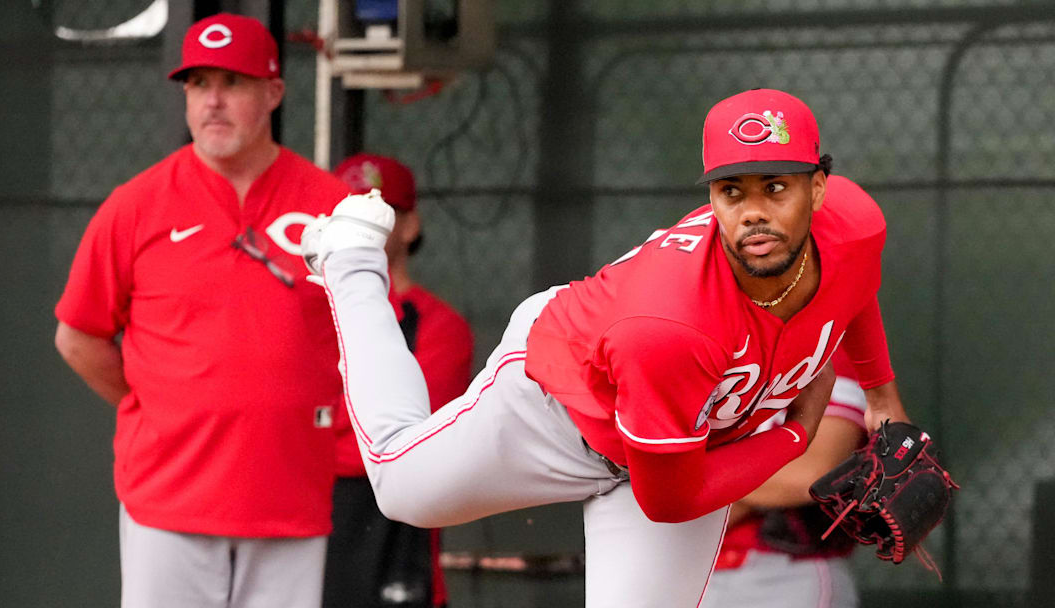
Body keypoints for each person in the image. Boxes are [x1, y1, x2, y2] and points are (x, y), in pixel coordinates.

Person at [299, 88, 911, 607]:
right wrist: (796, 435)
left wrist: (883, 396)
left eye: (776, 187)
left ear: (821, 189)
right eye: (732, 190)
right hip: (560, 406)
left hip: (678, 441)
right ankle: (351, 259)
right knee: (403, 491)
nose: (754, 212)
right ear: (711, 197)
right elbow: (668, 499)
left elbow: (856, 287)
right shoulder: (671, 325)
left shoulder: (854, 226)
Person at [53, 13, 351, 608]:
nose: (212, 101)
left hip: (287, 494)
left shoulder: (332, 206)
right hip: (168, 498)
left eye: (232, 82)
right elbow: (77, 337)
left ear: (273, 93)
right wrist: (160, 402)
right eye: (197, 84)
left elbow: (368, 339)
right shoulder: (133, 206)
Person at [322, 154, 473, 608]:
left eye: (378, 211)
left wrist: (311, 433)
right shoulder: (306, 315)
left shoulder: (440, 326)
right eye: (348, 212)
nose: (363, 225)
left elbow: (407, 445)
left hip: (395, 554)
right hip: (299, 543)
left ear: (409, 226)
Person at [702, 350, 868, 608]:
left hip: (782, 572)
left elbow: (811, 473)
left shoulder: (826, 351)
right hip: (683, 570)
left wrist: (697, 482)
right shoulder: (694, 350)